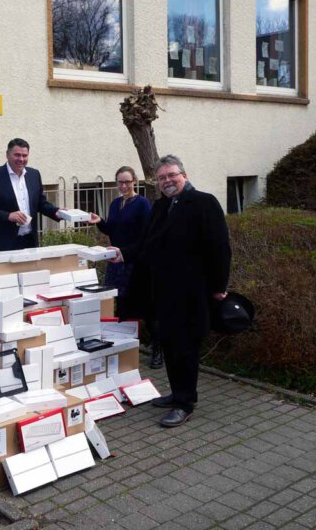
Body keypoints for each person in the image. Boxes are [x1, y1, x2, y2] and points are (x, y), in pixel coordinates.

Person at [110, 155, 231, 428]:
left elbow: (220, 248)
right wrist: (122, 253)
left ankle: (185, 403)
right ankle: (177, 393)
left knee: (186, 347)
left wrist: (219, 287)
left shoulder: (203, 202)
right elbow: (146, 244)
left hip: (192, 293)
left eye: (171, 176)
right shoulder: (161, 206)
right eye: (162, 178)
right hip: (163, 291)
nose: (167, 181)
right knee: (170, 344)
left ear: (183, 175)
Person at [88, 167, 159, 367]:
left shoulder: (142, 204)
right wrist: (100, 221)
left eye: (127, 182)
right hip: (115, 262)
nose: (124, 186)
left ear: (135, 181)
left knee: (145, 306)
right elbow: (112, 229)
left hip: (135, 261)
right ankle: (124, 346)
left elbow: (146, 236)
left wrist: (125, 252)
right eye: (120, 182)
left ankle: (157, 350)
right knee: (121, 305)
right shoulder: (115, 203)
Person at [0, 138, 62, 251]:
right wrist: (8, 216)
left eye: (24, 155)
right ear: (7, 155)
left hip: (29, 242)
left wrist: (57, 212)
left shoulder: (34, 175)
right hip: (1, 244)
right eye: (17, 155)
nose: (21, 159)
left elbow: (40, 203)